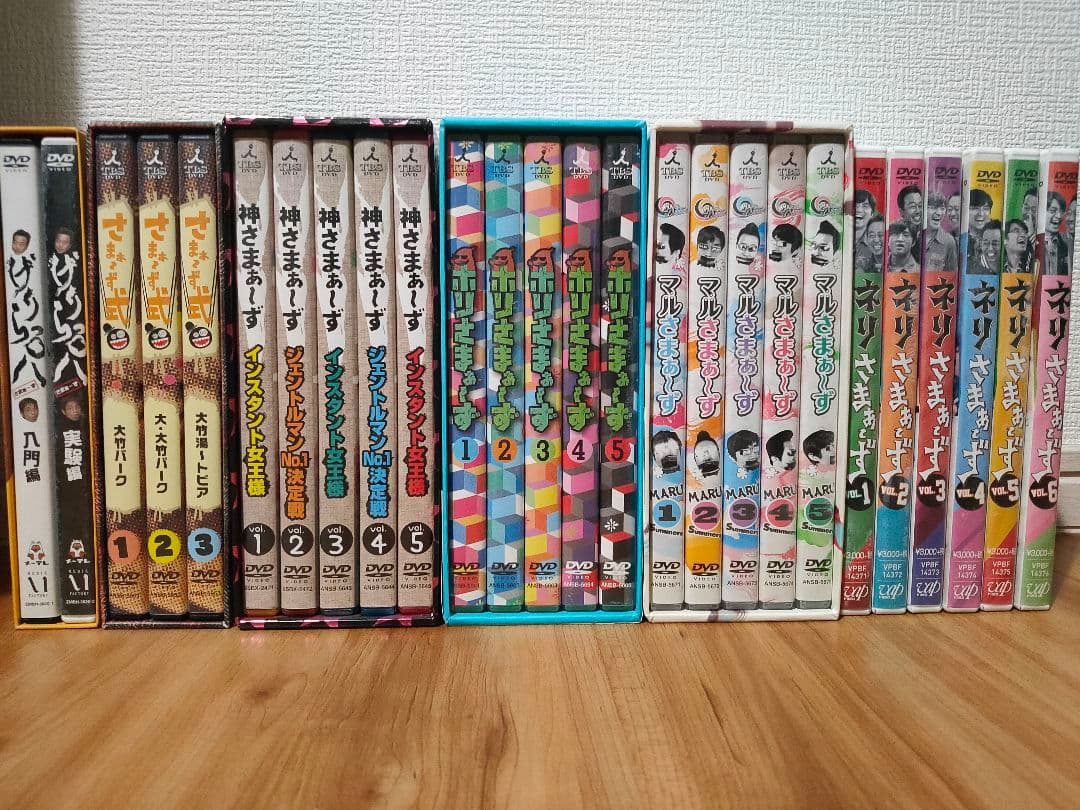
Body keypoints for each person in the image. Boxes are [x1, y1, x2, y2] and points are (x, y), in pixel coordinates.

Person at [922, 190, 958, 271]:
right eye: (933, 208)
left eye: (942, 208)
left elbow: (951, 274)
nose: (939, 213)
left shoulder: (949, 241)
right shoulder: (912, 236)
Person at [1045, 191, 1071, 276]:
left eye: (1062, 211)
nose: (1059, 216)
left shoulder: (1066, 243)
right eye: (1053, 211)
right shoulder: (1031, 241)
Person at [967, 188, 994, 267]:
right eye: (975, 208)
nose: (981, 213)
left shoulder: (998, 237)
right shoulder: (957, 237)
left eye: (985, 209)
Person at [898, 185, 923, 258]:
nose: (918, 211)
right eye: (912, 206)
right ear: (901, 212)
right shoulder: (896, 236)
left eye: (920, 206)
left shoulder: (929, 233)